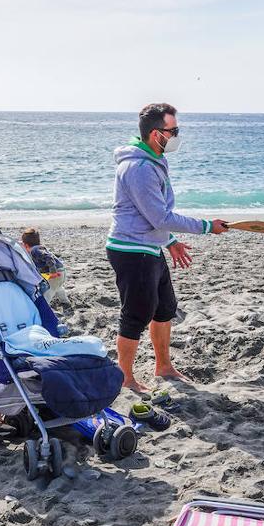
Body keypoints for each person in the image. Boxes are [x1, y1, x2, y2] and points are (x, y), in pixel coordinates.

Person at [107, 102, 228, 392]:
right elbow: (159, 216)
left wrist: (170, 241)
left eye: (177, 129)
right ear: (154, 134)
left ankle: (163, 366)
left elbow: (151, 214)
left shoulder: (154, 159)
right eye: (172, 131)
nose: (176, 136)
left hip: (150, 246)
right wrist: (206, 226)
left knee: (165, 308)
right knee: (136, 314)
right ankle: (125, 377)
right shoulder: (138, 168)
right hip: (131, 249)